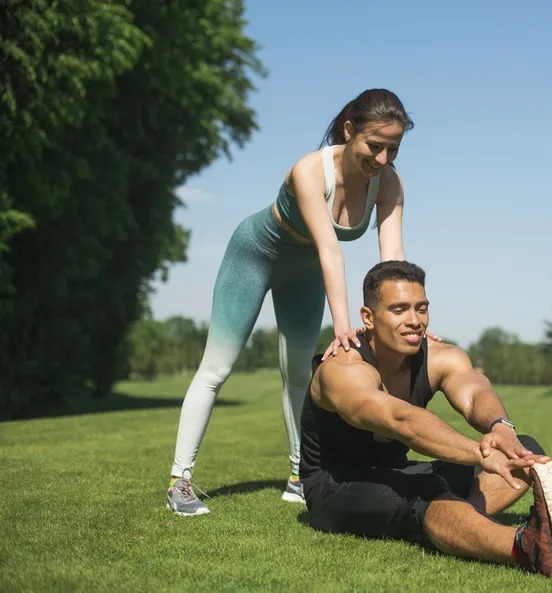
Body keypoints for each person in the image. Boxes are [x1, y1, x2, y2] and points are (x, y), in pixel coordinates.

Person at [166, 89, 440, 516]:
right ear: (349, 131)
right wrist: (346, 328)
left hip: (305, 271)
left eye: (393, 149)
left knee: (299, 374)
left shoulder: (389, 183)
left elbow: (393, 264)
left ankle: (298, 475)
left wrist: (406, 316)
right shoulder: (309, 171)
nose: (383, 159)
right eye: (374, 145)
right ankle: (180, 480)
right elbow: (332, 251)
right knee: (217, 368)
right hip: (255, 256)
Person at [298, 261, 552, 578]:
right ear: (369, 318)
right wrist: (478, 453)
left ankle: (460, 526)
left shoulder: (438, 356)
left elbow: (475, 391)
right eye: (399, 310)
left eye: (422, 309)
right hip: (335, 487)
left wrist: (501, 428)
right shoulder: (343, 369)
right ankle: (527, 548)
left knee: (521, 449)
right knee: (427, 489)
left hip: (397, 472)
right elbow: (399, 419)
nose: (415, 320)